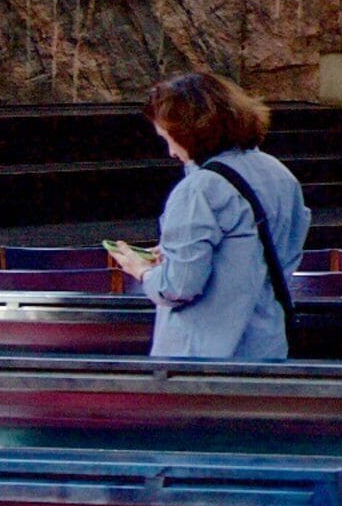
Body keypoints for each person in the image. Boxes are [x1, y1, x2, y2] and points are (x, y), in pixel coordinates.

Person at [106, 71, 310, 361]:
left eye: (168, 138)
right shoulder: (279, 173)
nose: (171, 152)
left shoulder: (199, 190)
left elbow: (178, 287)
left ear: (190, 131)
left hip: (203, 357)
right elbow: (275, 256)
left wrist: (142, 270)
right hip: (268, 345)